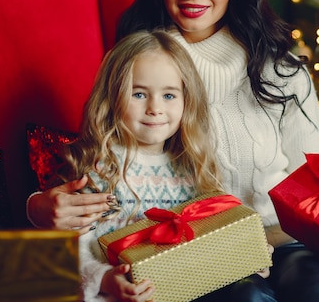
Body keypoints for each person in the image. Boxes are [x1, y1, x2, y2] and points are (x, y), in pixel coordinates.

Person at [27, 0, 319, 301]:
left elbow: (315, 183)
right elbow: (102, 162)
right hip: (200, 253)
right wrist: (37, 206)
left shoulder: (284, 72)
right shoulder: (143, 65)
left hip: (284, 241)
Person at [57, 30, 273, 302]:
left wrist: (243, 250)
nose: (154, 108)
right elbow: (72, 249)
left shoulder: (191, 166)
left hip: (186, 289)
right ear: (112, 98)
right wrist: (104, 279)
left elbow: (208, 236)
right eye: (138, 94)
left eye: (169, 96)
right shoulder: (100, 169)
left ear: (187, 101)